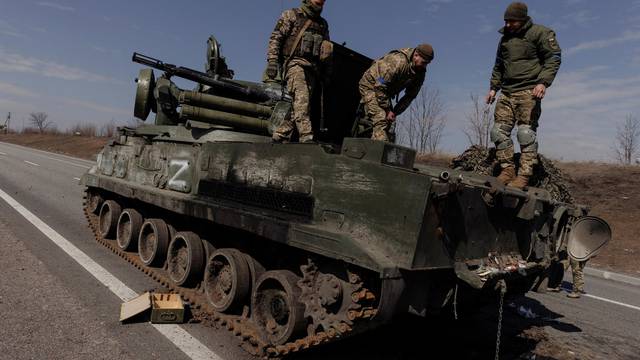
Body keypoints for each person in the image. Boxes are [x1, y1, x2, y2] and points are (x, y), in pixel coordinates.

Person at [485, 2, 561, 189]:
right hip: (507, 91)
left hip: (529, 90)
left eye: (512, 21)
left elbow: (553, 58)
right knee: (498, 131)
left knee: (525, 134)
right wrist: (494, 88)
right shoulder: (505, 39)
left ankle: (524, 176)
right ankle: (507, 170)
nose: (508, 24)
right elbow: (498, 65)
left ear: (522, 19)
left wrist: (543, 82)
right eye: (506, 21)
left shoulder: (540, 33)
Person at [266, 0, 330, 143]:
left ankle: (281, 133)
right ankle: (306, 136)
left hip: (313, 69)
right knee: (302, 100)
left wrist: (326, 73)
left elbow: (326, 51)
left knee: (300, 106)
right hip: (295, 65)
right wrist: (272, 62)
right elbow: (276, 38)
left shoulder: (322, 24)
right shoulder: (291, 15)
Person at [358, 44, 434, 142]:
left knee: (390, 124)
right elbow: (380, 85)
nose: (425, 66)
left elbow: (410, 96)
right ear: (416, 55)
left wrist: (395, 112)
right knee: (380, 118)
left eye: (427, 63)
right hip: (371, 85)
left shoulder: (420, 72)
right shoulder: (397, 61)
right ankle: (379, 152)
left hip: (385, 92)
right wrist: (387, 109)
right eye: (423, 62)